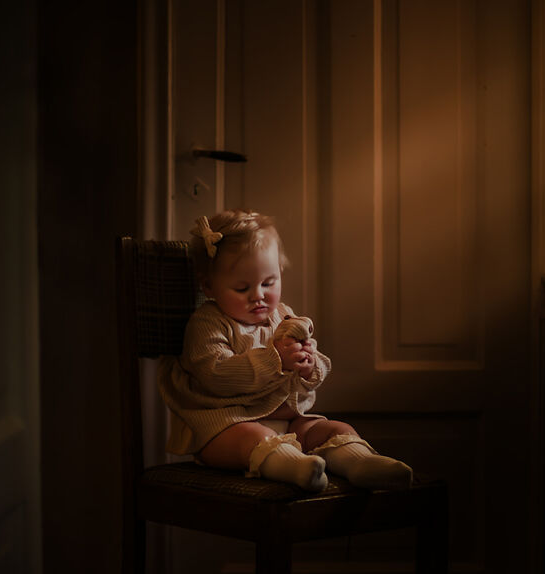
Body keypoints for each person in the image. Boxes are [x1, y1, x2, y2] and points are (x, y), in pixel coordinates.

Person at [157, 209, 413, 494]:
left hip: (288, 420)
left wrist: (308, 366)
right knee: (252, 437)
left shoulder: (284, 316)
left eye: (269, 283)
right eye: (242, 288)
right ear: (209, 286)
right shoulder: (207, 323)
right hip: (225, 426)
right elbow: (215, 374)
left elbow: (312, 375)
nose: (259, 295)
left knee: (331, 428)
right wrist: (275, 359)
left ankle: (360, 462)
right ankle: (297, 468)